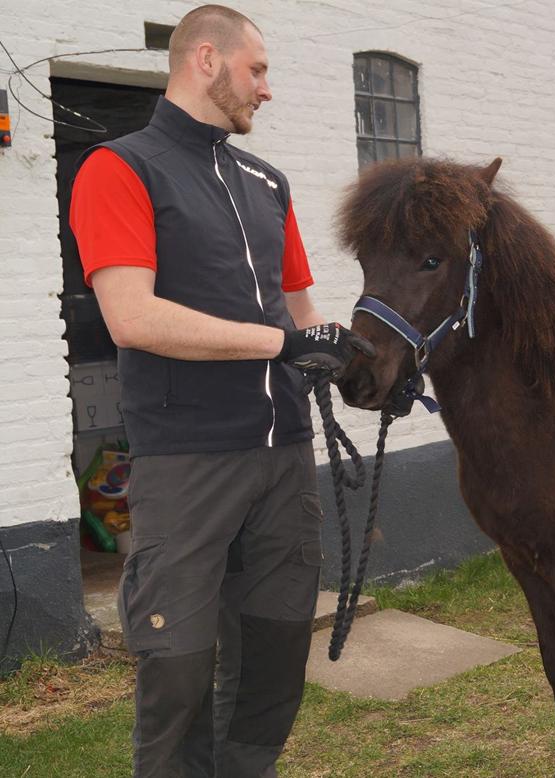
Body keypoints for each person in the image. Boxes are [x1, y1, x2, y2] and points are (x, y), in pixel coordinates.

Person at [69, 5, 372, 776]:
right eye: (258, 70)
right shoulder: (120, 167)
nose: (266, 90)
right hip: (188, 463)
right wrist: (282, 344)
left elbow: (302, 312)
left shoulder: (268, 181)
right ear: (206, 59)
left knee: (274, 655)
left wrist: (349, 355)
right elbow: (131, 316)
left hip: (283, 456)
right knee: (176, 664)